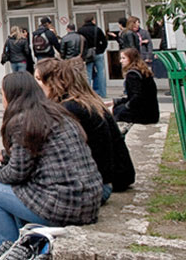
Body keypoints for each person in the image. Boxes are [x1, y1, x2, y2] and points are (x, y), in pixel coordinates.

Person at [0, 72, 102, 257]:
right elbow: (33, 155)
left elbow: (16, 173)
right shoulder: (56, 113)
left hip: (62, 205)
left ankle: (5, 253)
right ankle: (23, 243)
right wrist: (4, 156)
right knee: (15, 190)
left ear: (11, 96)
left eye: (1, 94)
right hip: (88, 201)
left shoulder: (22, 121)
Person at [35, 58, 134, 203]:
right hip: (116, 175)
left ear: (53, 81)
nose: (35, 84)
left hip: (102, 182)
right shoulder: (83, 101)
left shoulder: (70, 108)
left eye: (38, 79)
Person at [111, 48, 159, 124]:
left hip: (144, 115)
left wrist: (125, 107)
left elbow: (136, 97)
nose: (121, 61)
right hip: (152, 113)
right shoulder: (142, 71)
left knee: (116, 111)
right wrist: (115, 101)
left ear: (131, 58)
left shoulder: (132, 74)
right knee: (117, 108)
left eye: (123, 58)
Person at [78, 17, 109, 98]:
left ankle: (88, 95)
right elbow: (104, 42)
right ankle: (102, 93)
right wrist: (101, 50)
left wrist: (83, 54)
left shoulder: (81, 30)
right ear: (93, 21)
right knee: (101, 72)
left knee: (88, 73)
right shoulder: (97, 29)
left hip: (87, 54)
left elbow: (80, 42)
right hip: (98, 52)